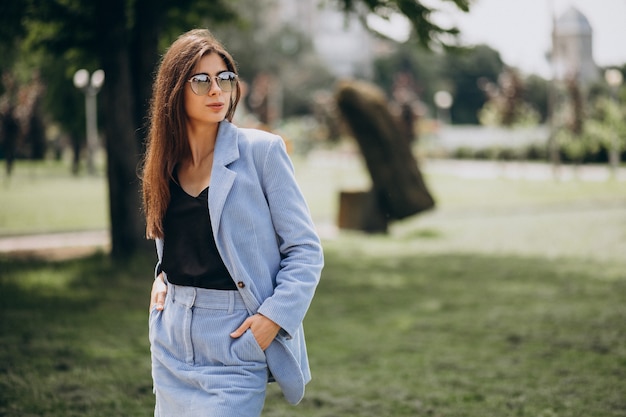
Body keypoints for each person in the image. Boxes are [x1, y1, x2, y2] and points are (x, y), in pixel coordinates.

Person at [141, 28, 324, 417]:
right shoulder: (164, 164)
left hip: (235, 341)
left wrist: (272, 320)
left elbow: (305, 250)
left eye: (224, 78)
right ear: (175, 90)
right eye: (201, 80)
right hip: (173, 340)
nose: (216, 90)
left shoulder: (262, 152)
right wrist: (162, 279)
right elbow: (179, 242)